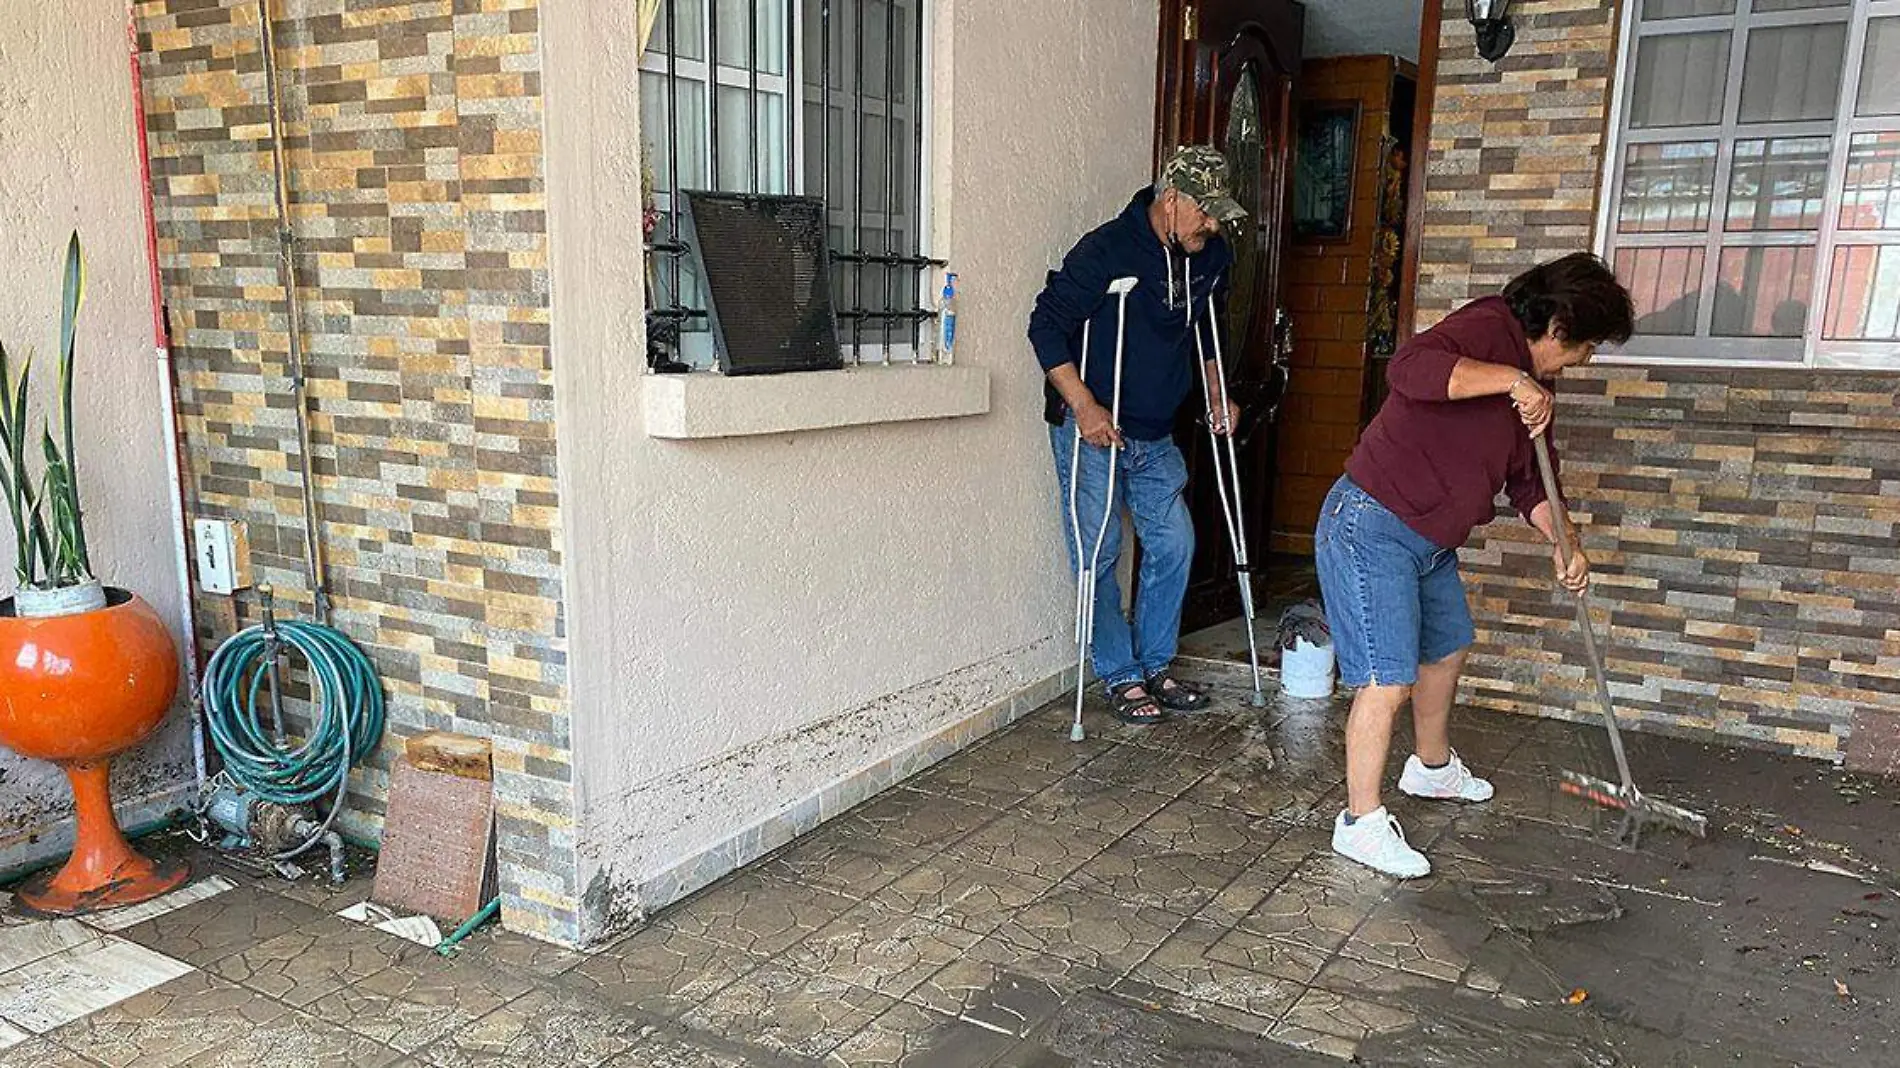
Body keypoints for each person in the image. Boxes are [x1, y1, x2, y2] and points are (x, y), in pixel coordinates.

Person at [1316, 252, 1635, 877]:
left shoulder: (1536, 398)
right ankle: (1359, 822)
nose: (1584, 362)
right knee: (1387, 678)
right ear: (1558, 330)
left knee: (1449, 647)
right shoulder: (1490, 330)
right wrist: (1513, 380)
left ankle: (1430, 770)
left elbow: (1532, 486)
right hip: (1371, 523)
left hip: (1430, 539)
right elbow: (1409, 368)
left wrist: (1565, 544)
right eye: (1587, 348)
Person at [1028, 146, 1246, 725]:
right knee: (1099, 550)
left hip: (1155, 432)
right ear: (1171, 200)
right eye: (1206, 212)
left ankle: (1155, 664)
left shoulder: (1210, 255)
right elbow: (1045, 324)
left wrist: (1218, 394)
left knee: (1173, 543)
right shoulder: (1106, 250)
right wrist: (1086, 406)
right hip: (1094, 430)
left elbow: (1207, 330)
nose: (1215, 224)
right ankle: (1120, 674)